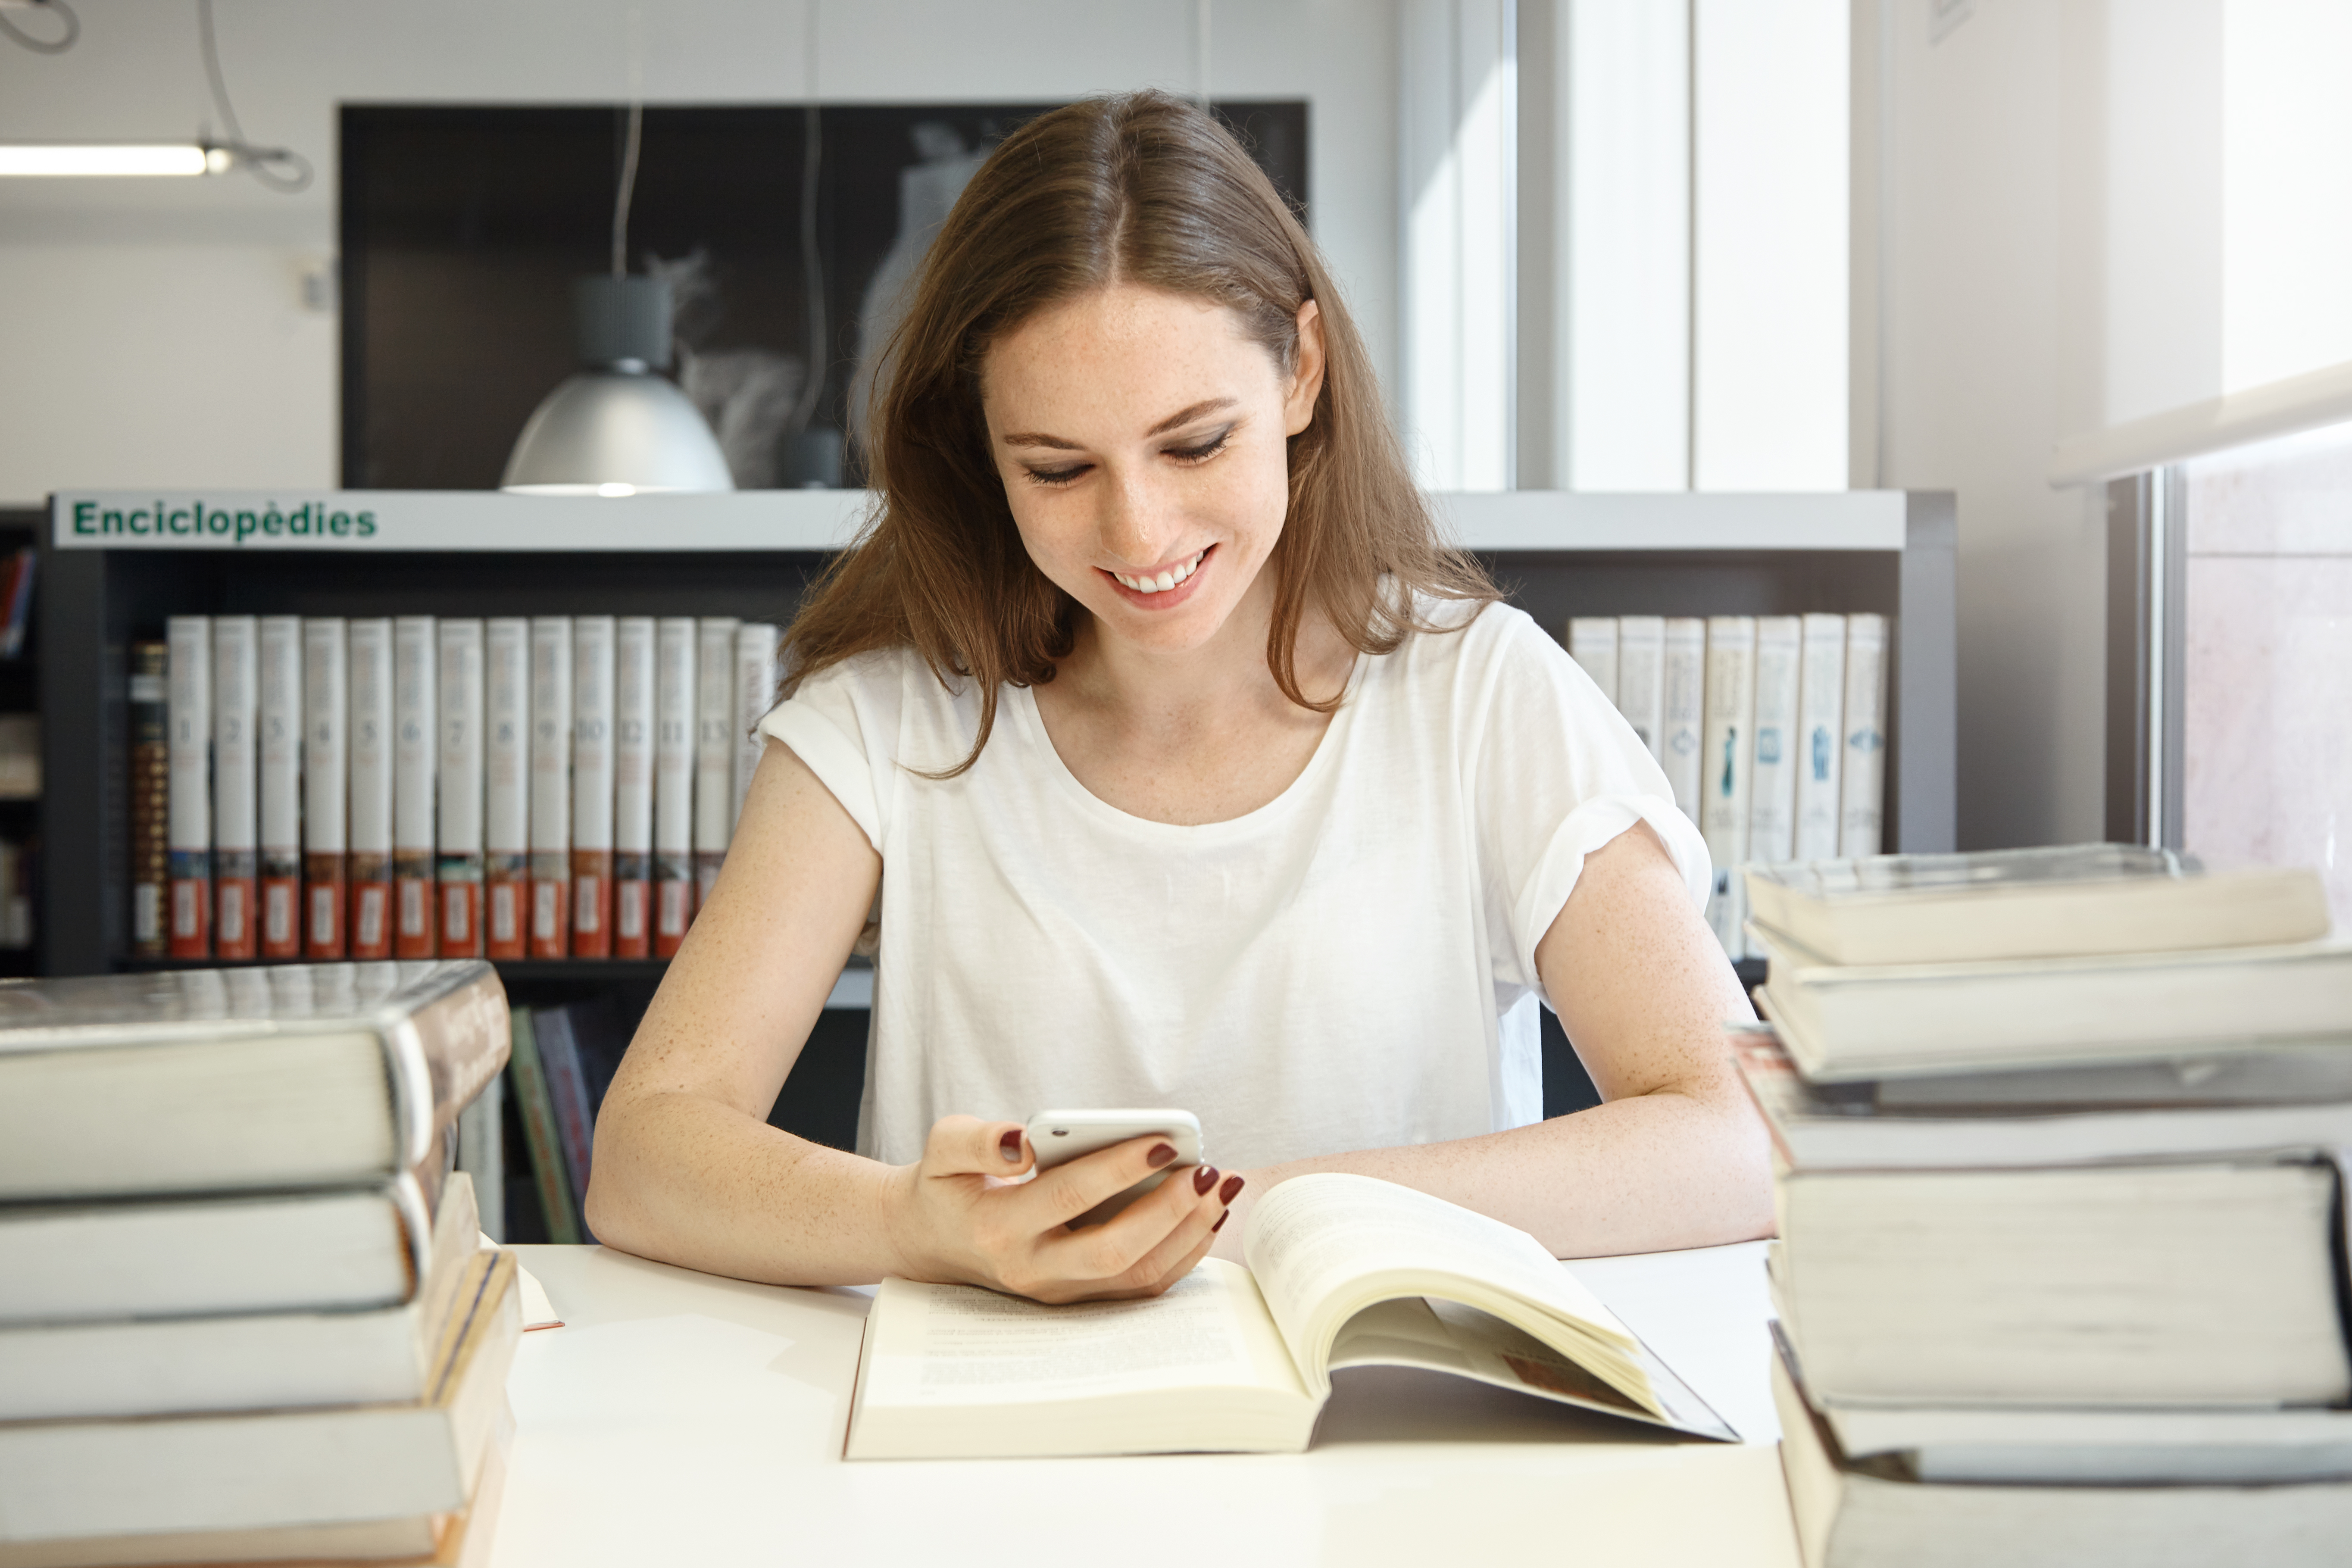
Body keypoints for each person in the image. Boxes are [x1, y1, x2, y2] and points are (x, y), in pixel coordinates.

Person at [586, 90, 1773, 1304]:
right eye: (1056, 467)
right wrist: (917, 1226)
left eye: (1196, 443)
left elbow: (1732, 1137)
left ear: (1300, 372)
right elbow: (643, 1154)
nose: (1137, 532)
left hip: (1392, 1446)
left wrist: (1236, 1218)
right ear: (979, 443)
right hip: (981, 1455)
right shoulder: (884, 726)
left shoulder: (1482, 694)